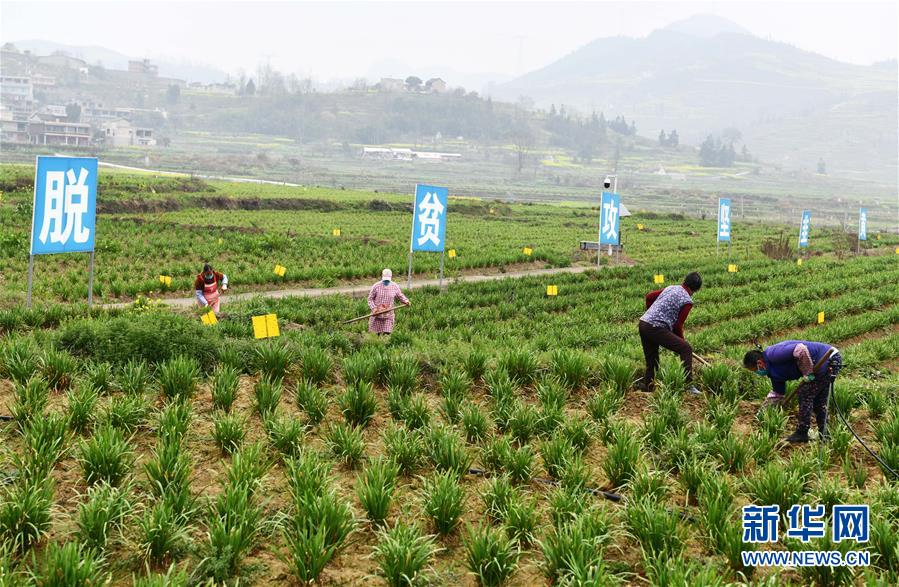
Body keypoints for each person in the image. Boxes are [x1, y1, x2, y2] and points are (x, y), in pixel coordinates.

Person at [743, 341, 842, 443]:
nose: (757, 372)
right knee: (819, 401)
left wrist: (807, 371)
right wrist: (763, 411)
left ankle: (802, 432)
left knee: (805, 394)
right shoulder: (773, 374)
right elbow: (777, 394)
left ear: (760, 363)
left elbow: (800, 349)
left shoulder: (773, 354)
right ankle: (825, 434)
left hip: (828, 358)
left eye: (755, 370)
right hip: (824, 361)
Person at [637, 272, 702, 394]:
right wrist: (681, 342)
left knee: (652, 360)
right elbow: (678, 325)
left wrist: (652, 313)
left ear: (685, 281)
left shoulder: (671, 287)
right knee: (686, 349)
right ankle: (689, 386)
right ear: (696, 289)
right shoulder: (687, 301)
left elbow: (649, 297)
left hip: (644, 323)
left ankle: (648, 386)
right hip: (656, 327)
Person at [367, 268, 410, 335]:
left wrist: (406, 301)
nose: (386, 281)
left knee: (387, 334)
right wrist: (374, 308)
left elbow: (400, 295)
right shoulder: (376, 286)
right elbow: (370, 299)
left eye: (387, 280)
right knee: (375, 334)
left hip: (388, 315)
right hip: (377, 314)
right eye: (385, 280)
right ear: (382, 276)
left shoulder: (394, 286)